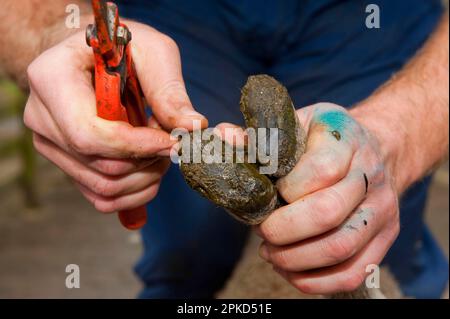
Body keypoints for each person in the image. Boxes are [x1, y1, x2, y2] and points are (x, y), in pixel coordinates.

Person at [0, 0, 448, 299]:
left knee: (361, 235)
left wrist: (397, 136)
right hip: (171, 16)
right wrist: (55, 33)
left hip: (373, 15)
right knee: (187, 256)